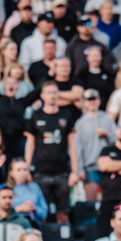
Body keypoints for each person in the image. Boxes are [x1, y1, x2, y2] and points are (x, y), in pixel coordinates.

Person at [24, 80, 80, 224]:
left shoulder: (66, 115)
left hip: (62, 172)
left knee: (63, 213)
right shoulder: (36, 116)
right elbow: (30, 144)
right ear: (42, 95)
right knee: (41, 213)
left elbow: (72, 144)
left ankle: (64, 237)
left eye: (55, 92)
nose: (52, 96)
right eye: (49, 92)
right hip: (40, 172)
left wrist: (74, 171)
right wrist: (27, 169)